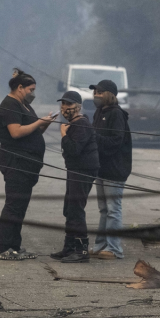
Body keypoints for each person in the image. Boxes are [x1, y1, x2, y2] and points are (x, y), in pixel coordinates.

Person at [0, 68, 56, 260]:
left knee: (20, 206)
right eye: (30, 89)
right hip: (16, 162)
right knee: (13, 205)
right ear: (19, 88)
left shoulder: (24, 106)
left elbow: (32, 133)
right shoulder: (10, 106)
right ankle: (4, 248)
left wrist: (44, 124)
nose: (33, 93)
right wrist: (38, 123)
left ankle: (15, 246)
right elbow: (16, 132)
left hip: (29, 164)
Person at [50, 91, 99, 263]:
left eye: (69, 105)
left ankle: (81, 251)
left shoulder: (81, 124)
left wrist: (63, 134)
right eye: (63, 105)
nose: (65, 108)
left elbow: (73, 150)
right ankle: (69, 248)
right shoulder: (74, 124)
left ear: (78, 107)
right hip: (76, 169)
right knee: (69, 208)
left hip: (83, 170)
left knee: (76, 209)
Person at [89, 79, 132, 260]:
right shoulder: (99, 112)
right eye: (94, 92)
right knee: (104, 209)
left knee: (113, 209)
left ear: (108, 94)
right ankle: (100, 246)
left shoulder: (116, 114)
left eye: (99, 92)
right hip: (101, 167)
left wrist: (94, 137)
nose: (95, 96)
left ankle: (115, 249)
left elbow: (115, 141)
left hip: (115, 169)